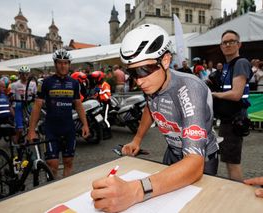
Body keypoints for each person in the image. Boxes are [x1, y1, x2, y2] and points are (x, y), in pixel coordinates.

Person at [91, 24, 218, 213]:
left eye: (144, 70)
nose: (138, 80)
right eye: (132, 73)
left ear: (166, 60)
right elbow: (150, 109)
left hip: (201, 160)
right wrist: (137, 139)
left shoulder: (189, 89)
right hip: (173, 152)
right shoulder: (153, 84)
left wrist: (134, 191)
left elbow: (194, 163)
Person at [27, 49, 89, 178]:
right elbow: (37, 106)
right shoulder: (45, 82)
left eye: (65, 63)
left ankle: (66, 189)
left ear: (69, 64)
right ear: (55, 64)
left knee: (68, 162)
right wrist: (31, 130)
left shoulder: (74, 83)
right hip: (51, 128)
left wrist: (85, 125)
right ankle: (53, 190)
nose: (63, 65)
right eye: (60, 63)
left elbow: (78, 104)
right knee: (52, 164)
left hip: (68, 127)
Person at [212, 30, 252, 181]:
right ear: (221, 46)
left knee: (233, 163)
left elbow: (236, 94)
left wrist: (214, 94)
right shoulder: (227, 66)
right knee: (229, 161)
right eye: (224, 42)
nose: (227, 45)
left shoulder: (240, 63)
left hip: (235, 119)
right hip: (227, 119)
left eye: (231, 41)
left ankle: (239, 195)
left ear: (239, 44)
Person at [9, 66, 37, 144]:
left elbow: (36, 95)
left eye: (27, 74)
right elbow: (11, 96)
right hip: (19, 104)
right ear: (20, 74)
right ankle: (17, 136)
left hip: (29, 103)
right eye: (23, 74)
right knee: (20, 128)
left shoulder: (33, 84)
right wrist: (10, 99)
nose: (25, 76)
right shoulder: (14, 85)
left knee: (34, 121)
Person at [91, 70, 112, 139]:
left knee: (105, 119)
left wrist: (99, 93)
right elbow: (97, 94)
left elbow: (107, 96)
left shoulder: (105, 85)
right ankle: (104, 132)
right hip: (101, 104)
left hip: (106, 103)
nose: (94, 80)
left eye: (95, 78)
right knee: (101, 118)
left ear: (100, 78)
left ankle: (109, 133)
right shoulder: (98, 85)